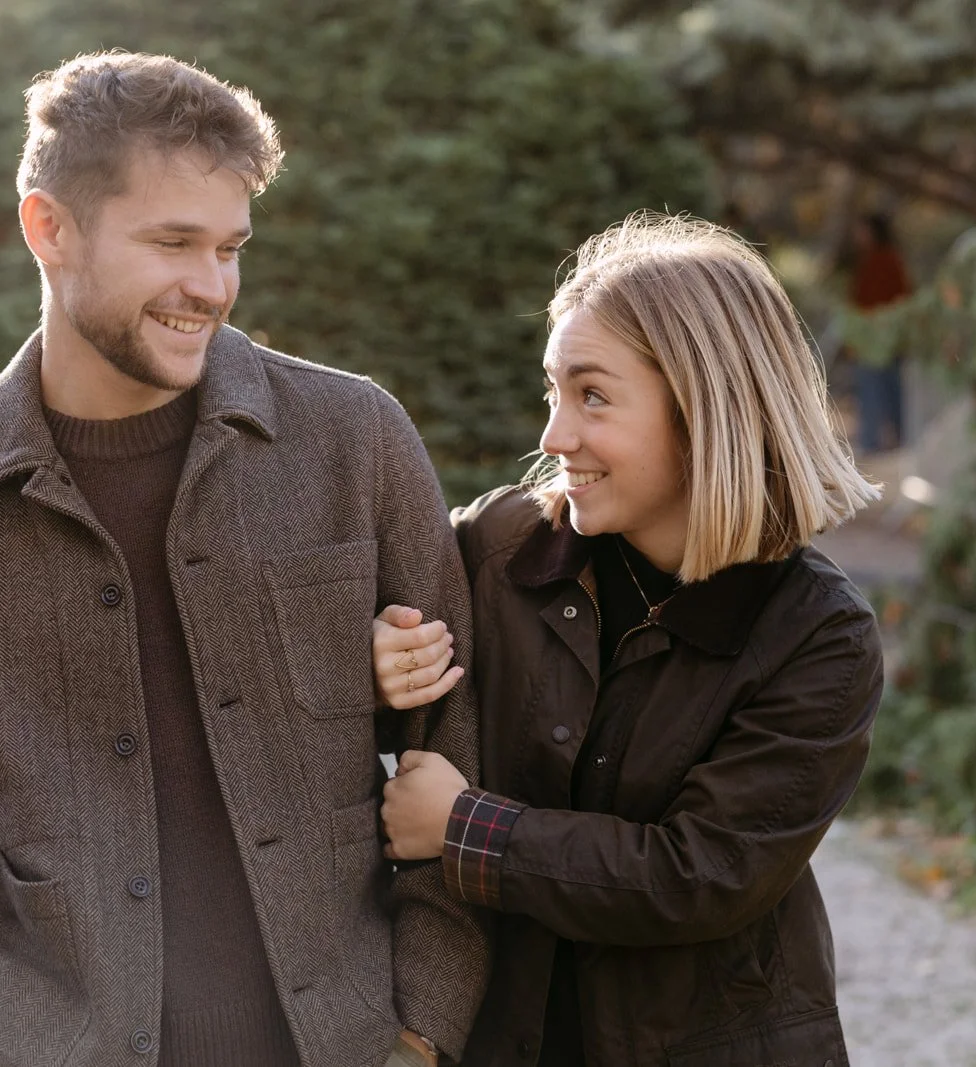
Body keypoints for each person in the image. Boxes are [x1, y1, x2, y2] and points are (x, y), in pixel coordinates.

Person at [0, 52, 486, 1067]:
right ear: (49, 228)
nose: (212, 287)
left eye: (230, 247)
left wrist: (423, 1029)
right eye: (174, 242)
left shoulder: (354, 440)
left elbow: (463, 743)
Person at [374, 214, 885, 1065]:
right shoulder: (502, 549)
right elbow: (360, 684)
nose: (553, 436)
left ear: (703, 409)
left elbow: (697, 874)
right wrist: (379, 654)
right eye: (553, 392)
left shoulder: (818, 635)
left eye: (593, 396)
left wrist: (465, 826)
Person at [847, 212, 913, 452]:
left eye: (862, 230)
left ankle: (881, 443)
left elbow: (900, 300)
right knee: (878, 391)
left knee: (882, 392)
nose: (857, 236)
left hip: (881, 340)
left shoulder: (886, 261)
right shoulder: (868, 261)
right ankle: (881, 441)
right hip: (873, 340)